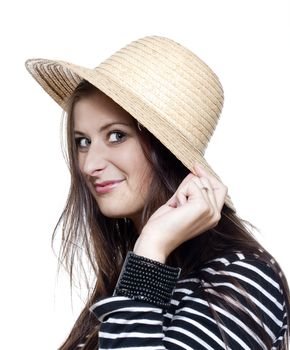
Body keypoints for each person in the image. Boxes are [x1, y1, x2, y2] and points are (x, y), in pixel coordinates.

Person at [26, 36, 289, 349]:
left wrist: (152, 245)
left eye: (116, 135)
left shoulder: (242, 278)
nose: (89, 165)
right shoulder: (130, 277)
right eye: (83, 142)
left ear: (169, 152)